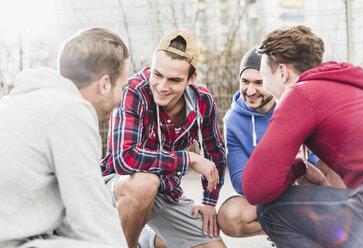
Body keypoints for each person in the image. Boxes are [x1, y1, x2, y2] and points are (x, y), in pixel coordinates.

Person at [242, 25, 363, 247]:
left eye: (263, 78)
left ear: (281, 72)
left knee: (271, 211)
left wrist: (299, 167)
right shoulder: (353, 84)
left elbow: (255, 188)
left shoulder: (300, 93)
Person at [0, 28, 129, 248]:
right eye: (123, 87)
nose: (121, 99)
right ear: (105, 84)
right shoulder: (70, 111)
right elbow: (94, 221)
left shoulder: (22, 102)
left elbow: (72, 217)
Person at [100, 29, 227, 248]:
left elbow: (214, 152)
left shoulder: (203, 102)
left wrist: (209, 201)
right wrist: (189, 159)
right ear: (151, 66)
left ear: (191, 78)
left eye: (174, 80)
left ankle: (148, 241)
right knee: (145, 184)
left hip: (165, 192)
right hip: (121, 185)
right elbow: (124, 158)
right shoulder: (133, 91)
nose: (162, 86)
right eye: (157, 74)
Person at [217, 45, 320, 239]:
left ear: (272, 81)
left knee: (330, 172)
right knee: (228, 216)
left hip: (304, 189)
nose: (251, 90)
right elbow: (241, 184)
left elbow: (316, 165)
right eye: (245, 81)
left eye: (259, 82)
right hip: (267, 196)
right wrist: (285, 165)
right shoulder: (233, 121)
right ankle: (286, 227)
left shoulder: (295, 105)